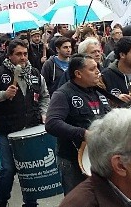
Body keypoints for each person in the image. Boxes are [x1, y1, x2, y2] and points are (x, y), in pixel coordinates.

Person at [0, 39, 50, 207]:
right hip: (8, 131)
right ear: (9, 55)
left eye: (25, 54)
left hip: (31, 129)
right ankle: (1, 203)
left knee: (31, 171)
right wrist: (3, 95)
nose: (23, 58)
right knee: (8, 170)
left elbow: (44, 96)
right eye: (18, 54)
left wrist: (43, 113)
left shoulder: (35, 74)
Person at [46, 54, 114, 193]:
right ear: (78, 73)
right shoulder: (63, 94)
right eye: (92, 69)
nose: (98, 72)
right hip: (73, 159)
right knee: (77, 205)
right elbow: (52, 123)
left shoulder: (99, 92)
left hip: (99, 156)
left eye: (97, 68)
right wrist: (83, 134)